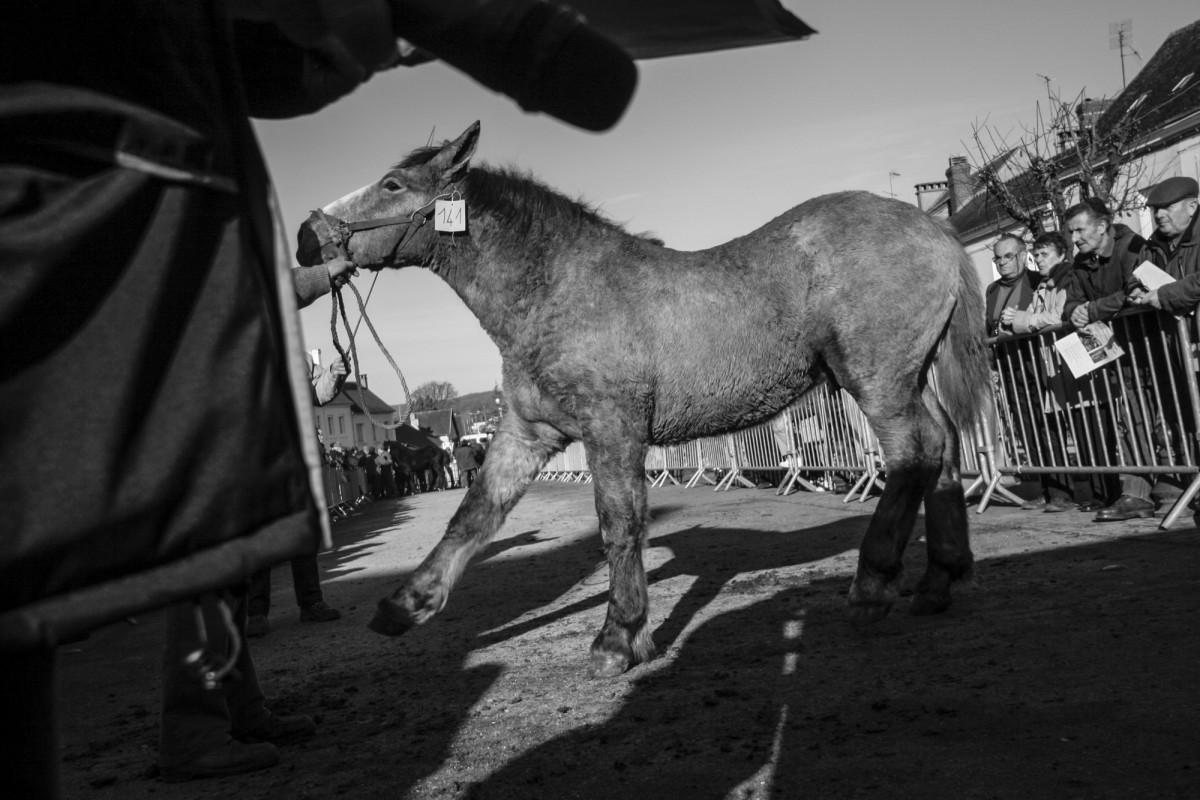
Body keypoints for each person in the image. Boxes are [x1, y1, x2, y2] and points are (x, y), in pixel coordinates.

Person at [245, 260, 356, 638]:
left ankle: (311, 602)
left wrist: (335, 376)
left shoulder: (294, 353)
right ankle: (255, 612)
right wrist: (325, 274)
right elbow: (281, 283)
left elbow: (316, 394)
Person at [1061, 199, 1157, 522]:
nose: (1074, 238)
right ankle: (1138, 494)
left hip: (1153, 346)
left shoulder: (1133, 247)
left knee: (1170, 421)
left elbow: (1135, 292)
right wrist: (1074, 312)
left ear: (1102, 226)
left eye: (1079, 230)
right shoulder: (1080, 261)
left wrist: (1091, 310)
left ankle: (1173, 486)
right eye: (1071, 231)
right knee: (1133, 422)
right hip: (1120, 357)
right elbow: (1071, 301)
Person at [1002, 232, 1093, 512]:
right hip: (1052, 363)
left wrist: (1023, 319)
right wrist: (1016, 321)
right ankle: (1063, 492)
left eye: (1044, 254)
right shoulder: (1043, 284)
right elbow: (1031, 318)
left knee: (1085, 425)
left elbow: (1060, 315)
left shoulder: (1066, 277)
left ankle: (1098, 493)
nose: (1039, 259)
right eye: (1037, 255)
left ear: (1061, 255)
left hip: (1074, 358)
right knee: (1063, 425)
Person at [1129, 176, 1200, 314]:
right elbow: (1135, 276)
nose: (1159, 215)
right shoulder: (1150, 247)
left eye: (1167, 207)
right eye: (1156, 209)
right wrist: (1136, 289)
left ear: (1192, 207)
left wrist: (1164, 296)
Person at [986, 233, 1040, 336]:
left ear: (1023, 256)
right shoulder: (992, 289)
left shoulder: (1037, 281)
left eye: (1008, 256)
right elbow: (989, 326)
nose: (1002, 262)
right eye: (998, 258)